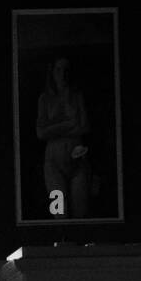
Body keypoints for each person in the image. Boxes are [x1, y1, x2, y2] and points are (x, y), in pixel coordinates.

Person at [36, 55, 92, 218]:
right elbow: (41, 132)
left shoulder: (76, 96)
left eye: (66, 70)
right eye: (59, 69)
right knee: (59, 212)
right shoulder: (45, 99)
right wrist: (69, 124)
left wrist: (54, 128)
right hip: (54, 163)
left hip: (78, 159)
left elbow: (84, 126)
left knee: (81, 210)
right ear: (52, 72)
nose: (63, 74)